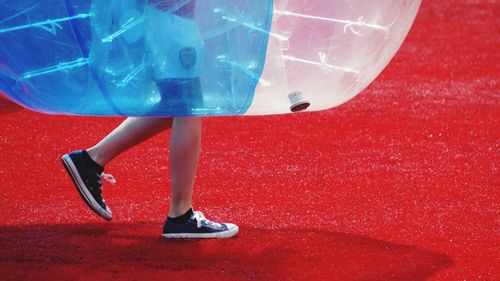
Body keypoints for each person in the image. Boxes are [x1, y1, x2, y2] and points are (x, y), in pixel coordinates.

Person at [61, 0, 239, 239]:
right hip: (171, 17)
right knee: (189, 107)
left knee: (176, 106)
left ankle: (91, 160)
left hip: (166, 16)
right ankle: (180, 214)